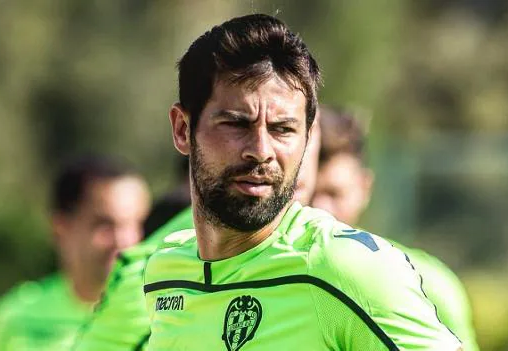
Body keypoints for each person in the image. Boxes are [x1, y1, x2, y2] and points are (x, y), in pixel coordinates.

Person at [143, 14, 462, 350]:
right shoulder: (165, 272)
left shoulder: (347, 269)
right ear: (182, 129)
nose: (261, 151)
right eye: (236, 124)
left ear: (309, 140)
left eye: (282, 129)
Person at [71, 107, 321, 351]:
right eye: (239, 125)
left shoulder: (330, 256)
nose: (266, 150)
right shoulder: (166, 260)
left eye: (286, 129)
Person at [312, 105, 480, 351]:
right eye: (309, 192)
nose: (319, 208)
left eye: (333, 193)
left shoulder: (430, 285)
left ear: (364, 188)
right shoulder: (258, 273)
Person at [0, 154, 151, 351]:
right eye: (104, 224)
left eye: (137, 224)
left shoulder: (163, 311)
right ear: (61, 228)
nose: (125, 240)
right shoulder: (13, 319)